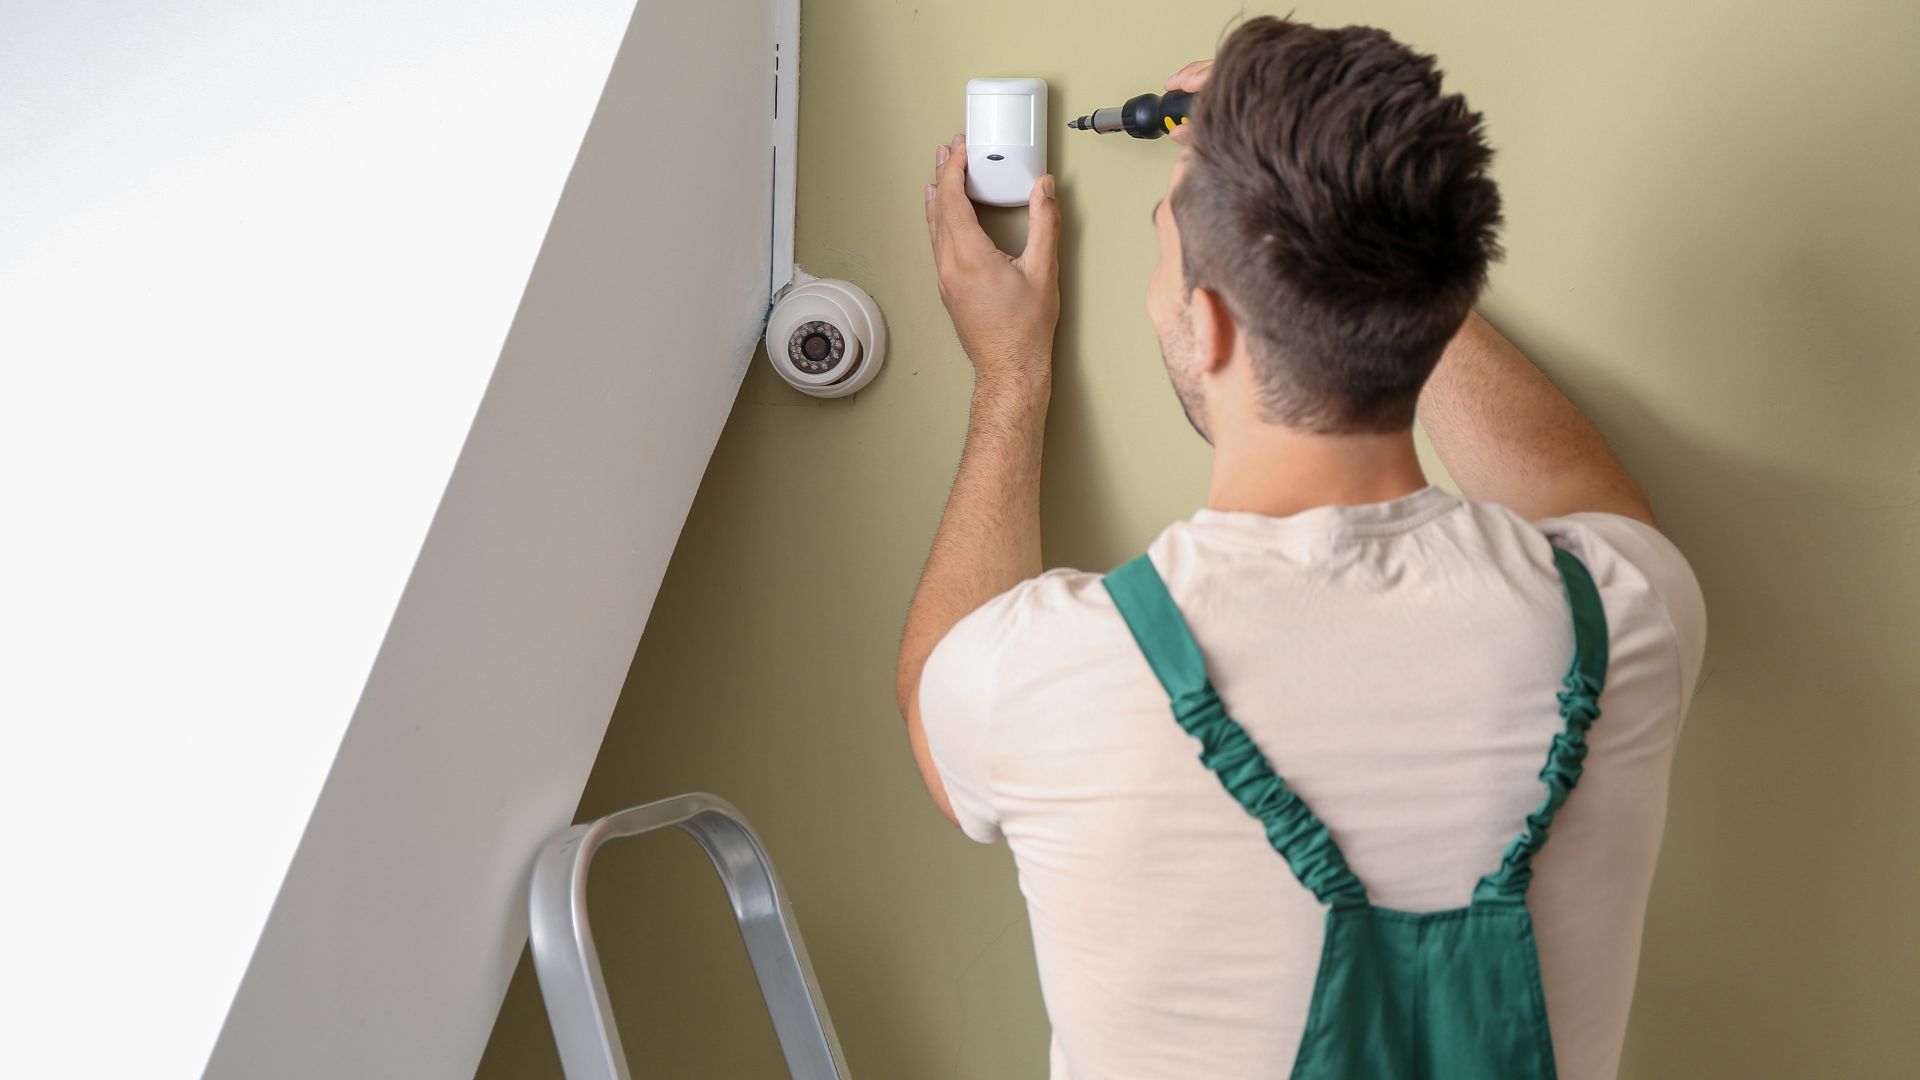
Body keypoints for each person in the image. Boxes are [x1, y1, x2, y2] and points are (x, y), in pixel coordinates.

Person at [895, 15, 1706, 1080]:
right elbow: (1576, 486)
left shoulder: (1054, 672)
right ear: (1440, 297)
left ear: (1211, 324)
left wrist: (1010, 373)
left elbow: (933, 687)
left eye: (1161, 239)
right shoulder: (1620, 615)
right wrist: (1374, 249)